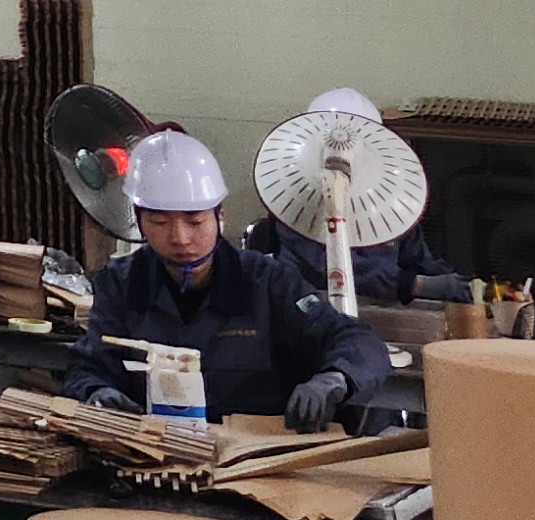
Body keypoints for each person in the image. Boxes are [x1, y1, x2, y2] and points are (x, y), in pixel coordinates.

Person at [70, 126, 388, 431]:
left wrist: (334, 378)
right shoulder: (121, 284)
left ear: (219, 217)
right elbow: (89, 365)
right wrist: (96, 391)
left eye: (195, 221)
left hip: (255, 454)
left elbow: (355, 340)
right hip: (155, 449)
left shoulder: (269, 282)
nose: (180, 238)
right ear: (140, 223)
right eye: (160, 222)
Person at [238, 86, 464, 306]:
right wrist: (412, 285)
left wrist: (457, 284)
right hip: (309, 308)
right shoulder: (295, 201)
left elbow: (418, 259)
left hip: (384, 310)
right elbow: (333, 267)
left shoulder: (390, 198)